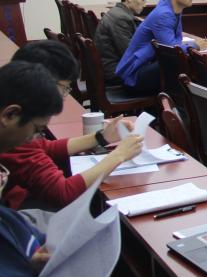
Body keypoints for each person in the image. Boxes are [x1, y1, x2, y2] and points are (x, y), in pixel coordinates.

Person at [0, 62, 171, 277]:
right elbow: (61, 191)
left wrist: (30, 264)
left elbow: (43, 150)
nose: (36, 139)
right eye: (36, 130)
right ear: (10, 115)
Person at [0, 41, 143, 211]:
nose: (65, 95)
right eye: (65, 88)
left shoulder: (16, 121)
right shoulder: (17, 136)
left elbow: (43, 147)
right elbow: (63, 193)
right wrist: (119, 155)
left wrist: (101, 137)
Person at [115, 0, 207, 96]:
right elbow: (172, 49)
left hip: (146, 66)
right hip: (134, 76)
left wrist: (191, 45)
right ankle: (189, 103)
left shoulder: (173, 11)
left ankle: (189, 102)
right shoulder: (163, 14)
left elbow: (176, 41)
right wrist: (195, 45)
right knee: (181, 65)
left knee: (185, 65)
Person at [93, 0, 147, 85]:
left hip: (113, 65)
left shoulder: (117, 12)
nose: (144, 4)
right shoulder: (121, 18)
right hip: (115, 71)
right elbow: (129, 54)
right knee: (162, 68)